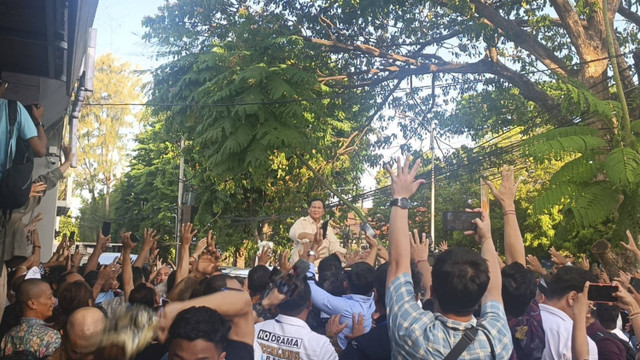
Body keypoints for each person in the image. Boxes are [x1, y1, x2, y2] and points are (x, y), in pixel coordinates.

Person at [384, 156, 513, 359]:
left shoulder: (411, 332)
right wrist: (487, 238)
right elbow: (494, 295)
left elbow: (398, 265)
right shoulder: (497, 340)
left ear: (432, 290)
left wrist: (401, 197)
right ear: (478, 298)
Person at [253, 277, 338, 360]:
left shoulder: (255, 330)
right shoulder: (320, 346)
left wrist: (265, 303)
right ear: (309, 304)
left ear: (277, 303)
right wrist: (332, 339)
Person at [540, 265, 598, 359]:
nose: (588, 314)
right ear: (572, 298)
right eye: (589, 306)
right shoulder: (582, 344)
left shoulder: (525, 318)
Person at [1, 279, 61, 358]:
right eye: (49, 297)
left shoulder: (9, 335)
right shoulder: (51, 336)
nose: (53, 301)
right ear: (32, 304)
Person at [289, 199, 346, 263]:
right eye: (314, 207)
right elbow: (292, 234)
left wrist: (339, 254)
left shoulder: (326, 227)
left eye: (319, 208)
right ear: (308, 210)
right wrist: (307, 235)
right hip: (301, 265)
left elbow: (334, 244)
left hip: (320, 267)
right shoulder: (302, 222)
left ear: (323, 211)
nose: (316, 210)